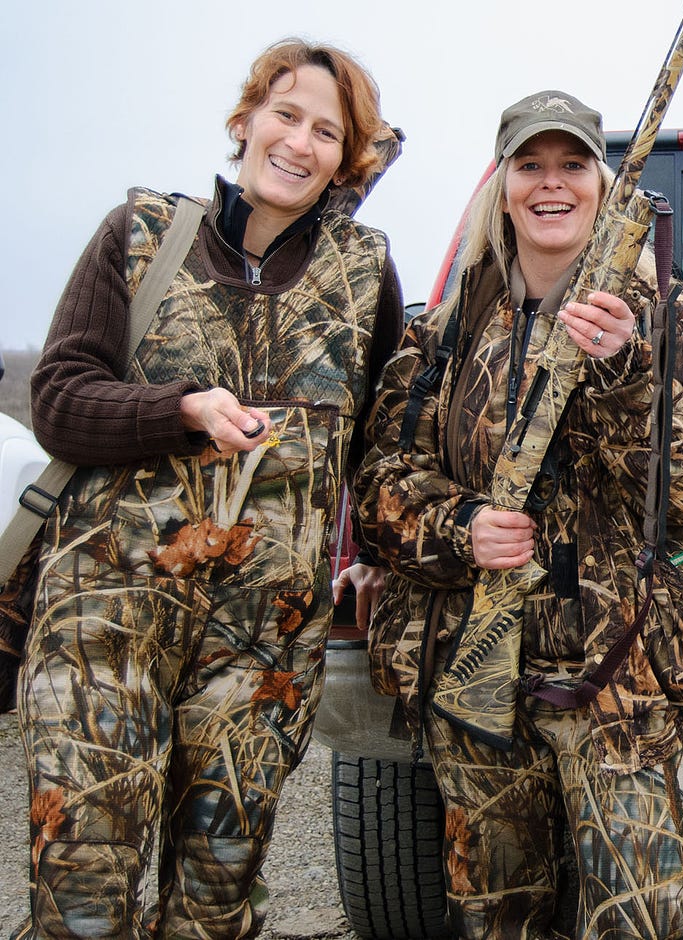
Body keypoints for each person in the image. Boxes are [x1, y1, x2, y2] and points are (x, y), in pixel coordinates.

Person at [14, 38, 404, 938]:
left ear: (347, 159)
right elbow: (60, 398)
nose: (298, 143)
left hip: (262, 652)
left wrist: (375, 559)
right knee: (82, 892)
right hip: (104, 632)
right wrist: (178, 409)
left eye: (325, 132)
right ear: (245, 121)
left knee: (217, 898)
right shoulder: (143, 232)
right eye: (285, 115)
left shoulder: (361, 272)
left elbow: (381, 443)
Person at [352, 89, 683, 939]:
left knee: (639, 922)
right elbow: (379, 480)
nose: (551, 184)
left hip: (623, 680)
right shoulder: (448, 332)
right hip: (475, 669)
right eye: (530, 165)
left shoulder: (671, 321)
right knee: (495, 915)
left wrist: (626, 371)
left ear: (604, 188)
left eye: (573, 165)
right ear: (502, 187)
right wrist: (461, 530)